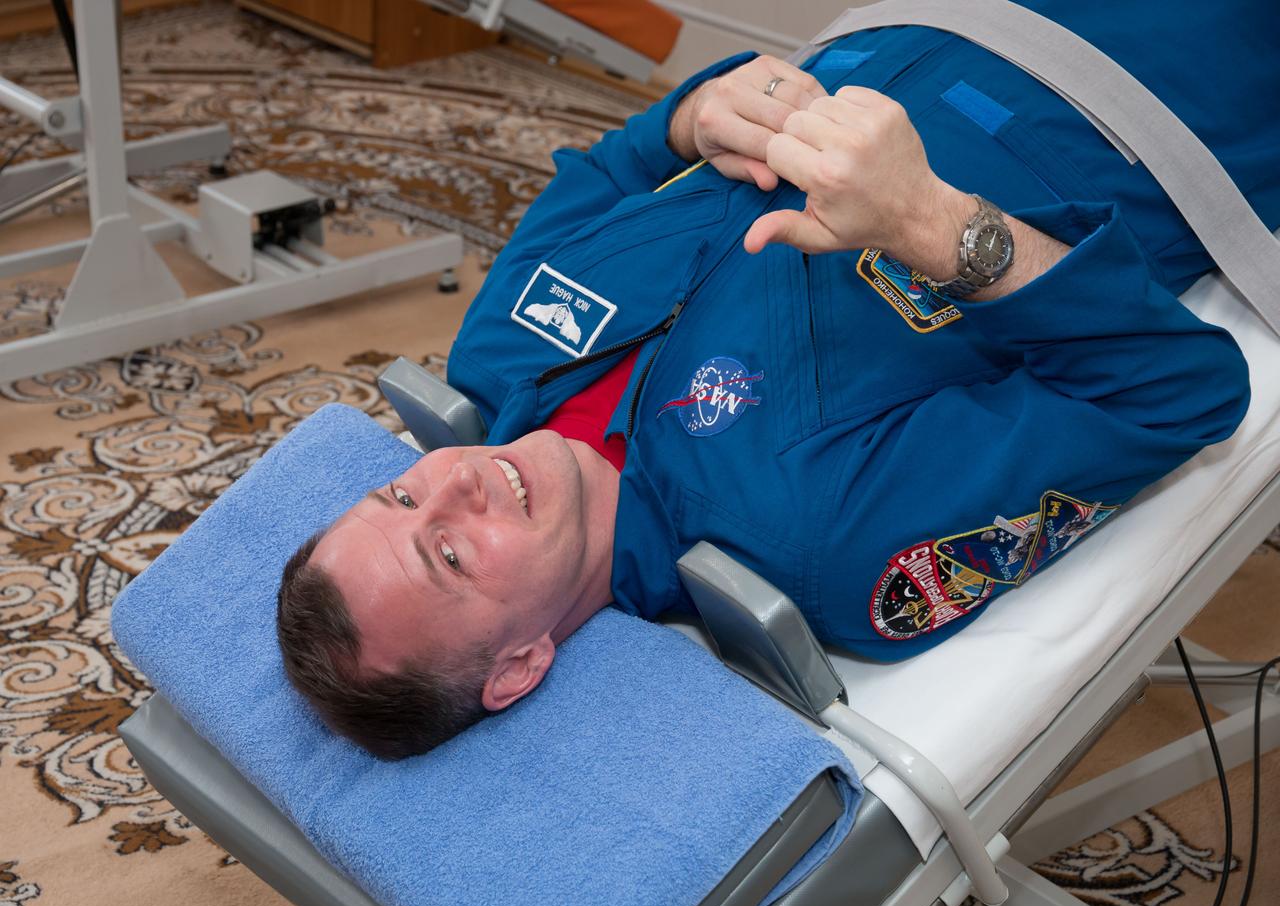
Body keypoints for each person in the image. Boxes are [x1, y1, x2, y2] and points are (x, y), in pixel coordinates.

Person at [277, 0, 1275, 760]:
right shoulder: (817, 540)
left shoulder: (498, 354)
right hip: (1183, 66)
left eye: (399, 491)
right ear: (517, 664)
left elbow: (611, 172)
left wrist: (694, 116)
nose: (454, 480)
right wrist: (930, 223)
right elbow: (1174, 393)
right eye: (449, 553)